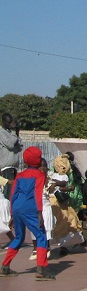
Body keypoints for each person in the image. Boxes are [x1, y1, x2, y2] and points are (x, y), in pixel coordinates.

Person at [0, 147, 55, 280]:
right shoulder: (40, 175)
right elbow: (37, 193)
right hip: (31, 208)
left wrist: (13, 213)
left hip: (18, 207)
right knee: (41, 236)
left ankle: (5, 266)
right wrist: (39, 212)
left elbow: (13, 194)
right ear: (38, 160)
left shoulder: (19, 175)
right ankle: (41, 269)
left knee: (19, 237)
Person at [0, 113, 23, 200]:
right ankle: (6, 211)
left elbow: (19, 147)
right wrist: (14, 132)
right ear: (4, 122)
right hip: (6, 167)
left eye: (11, 122)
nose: (11, 124)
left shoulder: (12, 133)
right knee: (8, 193)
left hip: (14, 167)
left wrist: (16, 133)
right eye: (8, 123)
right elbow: (10, 144)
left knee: (14, 192)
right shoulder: (1, 132)